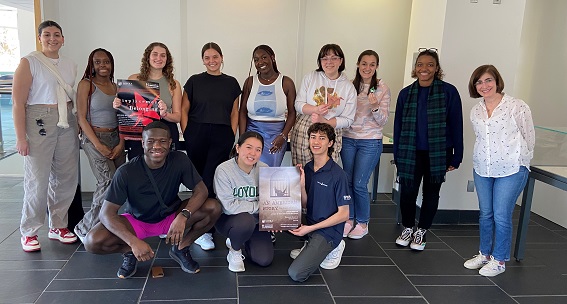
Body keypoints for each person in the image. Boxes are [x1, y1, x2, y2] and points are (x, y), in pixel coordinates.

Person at [83, 121, 222, 278]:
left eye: (162, 141)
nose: (156, 146)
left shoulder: (179, 160)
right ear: (143, 143)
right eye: (150, 141)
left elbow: (201, 191)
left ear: (170, 143)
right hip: (137, 221)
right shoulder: (126, 172)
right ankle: (130, 253)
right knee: (92, 241)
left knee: (213, 207)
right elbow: (106, 214)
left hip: (171, 217)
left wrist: (184, 215)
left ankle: (181, 248)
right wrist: (132, 242)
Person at [13, 20, 79, 252]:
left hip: (66, 120)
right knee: (37, 178)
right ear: (40, 38)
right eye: (47, 34)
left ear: (63, 39)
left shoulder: (70, 64)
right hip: (38, 118)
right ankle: (29, 230)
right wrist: (21, 137)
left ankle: (58, 225)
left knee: (66, 176)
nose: (52, 39)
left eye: (57, 35)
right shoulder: (29, 62)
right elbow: (18, 103)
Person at [463, 65, 534, 277]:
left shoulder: (516, 106)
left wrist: (523, 161)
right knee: (486, 214)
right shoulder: (476, 110)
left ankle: (499, 260)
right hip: (483, 168)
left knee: (502, 216)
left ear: (497, 81)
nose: (484, 86)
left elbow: (529, 137)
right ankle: (484, 254)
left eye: (488, 80)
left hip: (512, 168)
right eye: (479, 82)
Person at [393, 48, 463, 251]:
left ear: (437, 68)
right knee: (407, 193)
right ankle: (407, 227)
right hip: (409, 153)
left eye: (430, 65)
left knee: (431, 194)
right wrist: (397, 154)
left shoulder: (448, 92)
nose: (425, 68)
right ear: (415, 68)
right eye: (420, 64)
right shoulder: (405, 94)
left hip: (438, 153)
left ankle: (421, 231)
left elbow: (456, 125)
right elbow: (398, 127)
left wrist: (456, 156)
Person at [181, 42, 241, 250]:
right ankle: (201, 228)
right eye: (207, 57)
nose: (211, 61)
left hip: (222, 134)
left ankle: (209, 224)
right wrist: (188, 134)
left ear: (222, 57)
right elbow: (184, 110)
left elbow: (234, 111)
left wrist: (231, 135)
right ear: (202, 60)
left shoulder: (231, 82)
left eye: (215, 57)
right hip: (196, 133)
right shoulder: (194, 81)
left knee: (215, 179)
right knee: (200, 181)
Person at [74, 48, 126, 242]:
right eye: (98, 62)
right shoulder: (86, 84)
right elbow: (81, 117)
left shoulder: (116, 86)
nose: (102, 65)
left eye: (106, 62)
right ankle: (84, 227)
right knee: (107, 182)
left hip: (116, 138)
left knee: (120, 183)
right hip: (94, 138)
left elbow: (123, 116)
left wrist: (121, 142)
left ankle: (106, 224)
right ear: (92, 65)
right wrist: (98, 144)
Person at [288, 123, 350, 282]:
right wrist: (301, 185)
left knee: (296, 273)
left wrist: (310, 228)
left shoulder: (338, 175)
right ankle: (311, 245)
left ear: (330, 143)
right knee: (283, 216)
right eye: (313, 137)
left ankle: (334, 247)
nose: (316, 142)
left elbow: (344, 215)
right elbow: (304, 204)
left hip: (328, 231)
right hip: (311, 224)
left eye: (322, 138)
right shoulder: (308, 169)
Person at [341, 50, 391, 239]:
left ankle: (363, 222)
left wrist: (375, 106)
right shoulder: (349, 86)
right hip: (348, 138)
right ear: (358, 64)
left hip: (370, 141)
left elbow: (383, 120)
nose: (367, 68)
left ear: (377, 66)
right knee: (347, 181)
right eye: (364, 63)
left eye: (372, 64)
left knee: (360, 183)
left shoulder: (381, 88)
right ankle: (349, 219)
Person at [213, 131, 273, 272]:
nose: (253, 153)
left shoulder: (265, 169)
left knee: (264, 259)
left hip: (256, 220)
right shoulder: (223, 170)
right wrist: (261, 207)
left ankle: (240, 238)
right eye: (248, 147)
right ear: (238, 148)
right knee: (246, 221)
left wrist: (274, 217)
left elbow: (271, 201)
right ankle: (235, 249)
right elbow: (229, 207)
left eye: (258, 150)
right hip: (230, 220)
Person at [290, 43, 357, 166]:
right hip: (305, 128)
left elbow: (348, 119)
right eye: (324, 58)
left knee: (325, 173)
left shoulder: (348, 87)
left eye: (334, 58)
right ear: (320, 61)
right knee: (301, 172)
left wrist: (325, 122)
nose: (329, 62)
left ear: (341, 61)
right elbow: (298, 104)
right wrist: (315, 109)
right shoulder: (311, 77)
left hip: (331, 129)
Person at [114, 42, 182, 159]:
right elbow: (126, 109)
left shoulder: (174, 84)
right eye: (155, 54)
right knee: (138, 169)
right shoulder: (134, 79)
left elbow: (177, 117)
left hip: (165, 130)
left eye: (163, 55)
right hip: (138, 132)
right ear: (148, 57)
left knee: (166, 170)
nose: (158, 58)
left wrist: (165, 114)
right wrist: (118, 105)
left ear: (167, 59)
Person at [239, 45, 296, 167]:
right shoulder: (249, 82)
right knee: (250, 173)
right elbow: (242, 112)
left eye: (264, 57)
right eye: (256, 60)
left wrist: (283, 136)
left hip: (276, 138)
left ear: (272, 57)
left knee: (270, 176)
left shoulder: (286, 82)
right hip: (252, 135)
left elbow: (292, 113)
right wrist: (242, 139)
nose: (260, 62)